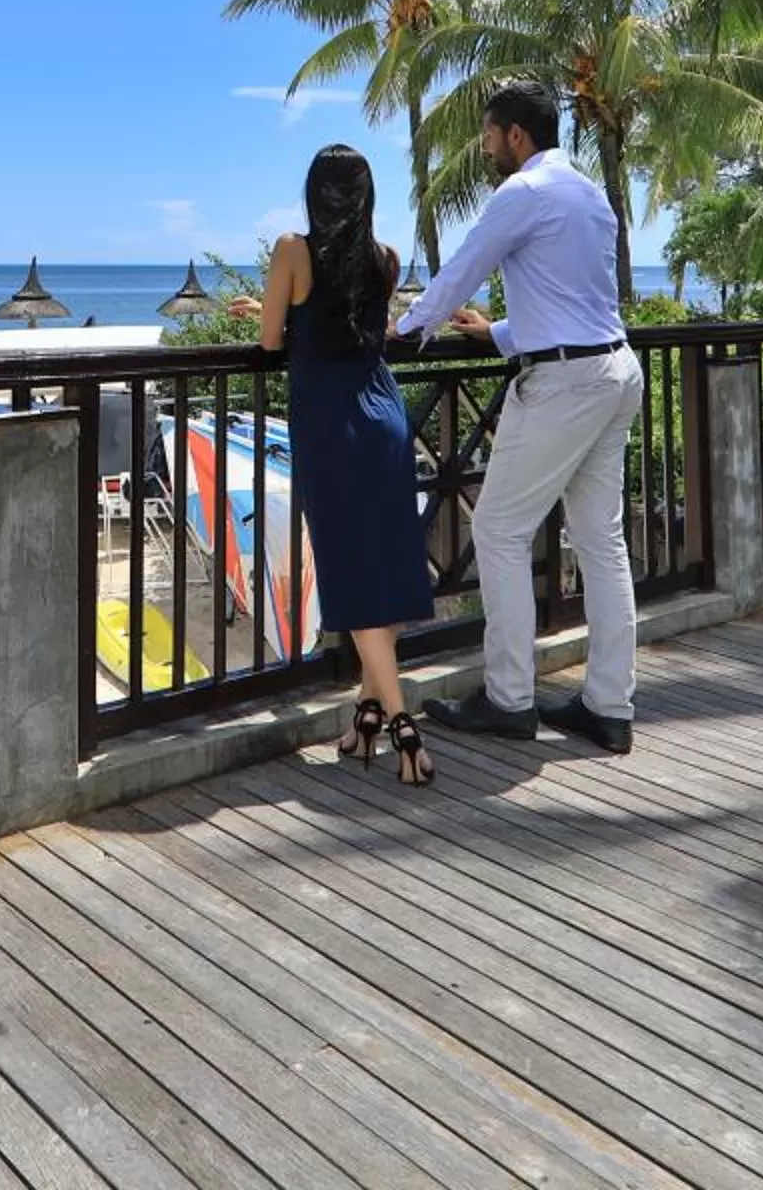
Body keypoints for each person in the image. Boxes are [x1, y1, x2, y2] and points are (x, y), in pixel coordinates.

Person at [395, 80, 643, 754]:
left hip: (566, 383)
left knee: (500, 531)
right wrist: (502, 334)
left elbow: (460, 272)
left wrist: (406, 327)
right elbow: (577, 297)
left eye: (488, 134)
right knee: (602, 543)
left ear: (515, 135)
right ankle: (609, 705)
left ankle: (509, 699)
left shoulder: (523, 193)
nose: (484, 148)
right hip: (615, 369)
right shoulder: (589, 193)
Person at [262, 145, 439, 785]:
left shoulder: (291, 250)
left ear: (315, 193)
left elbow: (269, 341)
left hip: (330, 421)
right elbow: (367, 330)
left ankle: (401, 724)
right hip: (383, 412)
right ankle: (366, 714)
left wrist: (273, 316)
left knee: (350, 568)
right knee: (384, 562)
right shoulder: (385, 259)